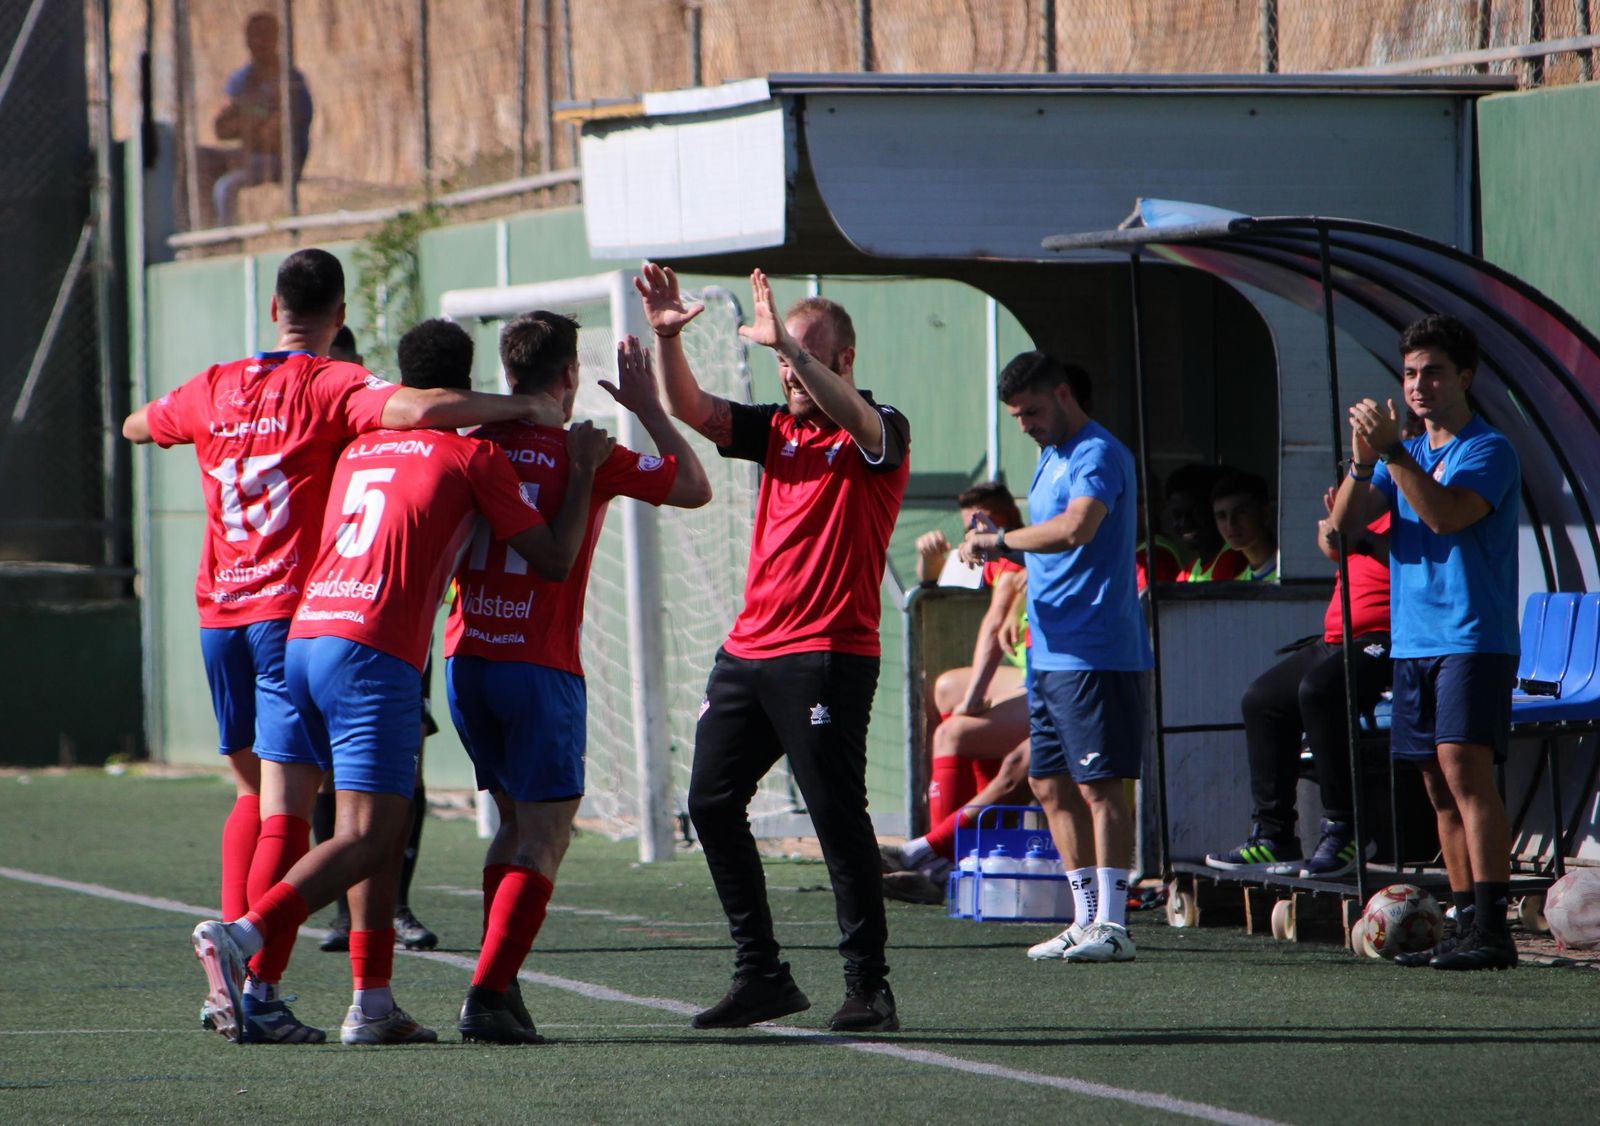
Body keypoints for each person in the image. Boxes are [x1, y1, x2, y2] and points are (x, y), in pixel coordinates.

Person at [123, 248, 564, 1043]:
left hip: (220, 609)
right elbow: (424, 413)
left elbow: (136, 425)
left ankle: (343, 993)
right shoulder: (335, 387)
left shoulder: (216, 384)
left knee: (262, 801)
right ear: (339, 317)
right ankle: (257, 975)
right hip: (303, 613)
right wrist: (524, 409)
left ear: (271, 309)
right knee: (352, 824)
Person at [641, 261, 910, 1033]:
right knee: (710, 801)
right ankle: (761, 973)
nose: (786, 369)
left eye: (803, 354)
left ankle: (869, 987)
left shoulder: (879, 426)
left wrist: (791, 354)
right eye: (782, 354)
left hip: (827, 652)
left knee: (833, 812)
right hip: (749, 651)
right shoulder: (779, 429)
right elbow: (691, 407)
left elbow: (858, 422)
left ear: (843, 360)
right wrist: (668, 341)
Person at [446, 318, 712, 1044]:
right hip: (539, 667)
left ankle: (499, 981)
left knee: (513, 823)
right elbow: (694, 485)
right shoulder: (583, 450)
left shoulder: (471, 443)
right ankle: (489, 991)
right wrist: (649, 408)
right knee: (547, 837)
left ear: (508, 373)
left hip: (466, 659)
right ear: (569, 376)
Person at [1331, 313, 1521, 971]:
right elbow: (1338, 533)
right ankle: (1466, 923)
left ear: (1464, 377)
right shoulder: (1401, 454)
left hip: (1472, 638)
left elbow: (1444, 516)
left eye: (1434, 371)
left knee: (1466, 774)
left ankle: (1494, 932)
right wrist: (1362, 463)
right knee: (1436, 787)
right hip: (1414, 643)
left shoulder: (1487, 450)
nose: (1419, 385)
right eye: (1410, 373)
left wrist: (1388, 455)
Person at [961, 352, 1152, 964]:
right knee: (1046, 781)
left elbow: (1077, 529)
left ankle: (1116, 925)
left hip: (1096, 652)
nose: (1024, 424)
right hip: (1049, 653)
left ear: (1064, 396)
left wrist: (999, 538)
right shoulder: (1049, 458)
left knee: (1101, 787)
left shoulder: (1097, 454)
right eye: (1016, 416)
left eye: (1032, 411)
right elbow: (1047, 547)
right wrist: (998, 542)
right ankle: (1086, 919)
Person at [315, 325, 438, 956]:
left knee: (400, 769)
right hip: (330, 622)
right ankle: (329, 918)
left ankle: (394, 909)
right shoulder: (314, 438)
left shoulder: (386, 424)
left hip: (394, 623)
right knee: (325, 776)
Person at [1206, 487, 1392, 877]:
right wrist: (1336, 536)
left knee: (1320, 691)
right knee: (1261, 699)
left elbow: (1414, 559)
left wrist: (1358, 537)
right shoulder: (1362, 493)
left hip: (1390, 637)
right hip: (1336, 637)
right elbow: (1336, 548)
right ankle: (1274, 836)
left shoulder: (1412, 492)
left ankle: (1346, 829)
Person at [196, 11, 313, 227]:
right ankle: (205, 229)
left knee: (225, 187)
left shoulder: (290, 79)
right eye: (253, 36)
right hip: (249, 155)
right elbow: (222, 130)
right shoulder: (241, 80)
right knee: (200, 160)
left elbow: (276, 135)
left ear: (275, 39)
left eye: (264, 36)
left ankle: (226, 242)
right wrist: (252, 121)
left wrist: (246, 120)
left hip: (279, 160)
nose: (258, 42)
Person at [1211, 471, 1279, 582]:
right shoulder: (1242, 582)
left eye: (1240, 512)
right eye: (1222, 516)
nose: (1231, 523)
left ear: (1265, 514)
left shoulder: (1291, 573)